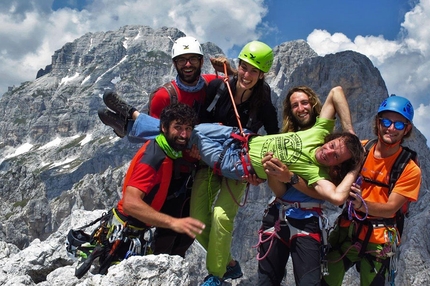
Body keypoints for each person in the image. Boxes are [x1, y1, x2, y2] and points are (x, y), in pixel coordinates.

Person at [97, 36, 233, 258]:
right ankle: (132, 122)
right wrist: (191, 148)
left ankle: (131, 122)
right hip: (175, 167)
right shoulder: (164, 96)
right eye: (181, 60)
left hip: (197, 168)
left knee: (188, 234)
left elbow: (243, 86)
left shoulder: (211, 83)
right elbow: (161, 139)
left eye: (192, 59)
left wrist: (232, 71)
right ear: (174, 63)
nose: (187, 65)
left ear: (200, 61)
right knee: (187, 132)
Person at [134, 85, 365, 209]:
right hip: (241, 137)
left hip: (236, 163)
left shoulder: (316, 173)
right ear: (332, 138)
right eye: (334, 145)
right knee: (191, 127)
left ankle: (132, 121)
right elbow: (336, 92)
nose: (329, 152)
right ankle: (131, 122)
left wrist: (355, 167)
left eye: (335, 157)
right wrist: (351, 132)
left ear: (336, 165)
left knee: (189, 134)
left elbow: (336, 198)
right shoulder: (320, 133)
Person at [193, 40, 279, 286]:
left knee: (221, 216)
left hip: (237, 169)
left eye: (254, 70)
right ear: (237, 65)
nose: (247, 74)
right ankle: (229, 264)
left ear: (262, 75)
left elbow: (272, 141)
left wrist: (261, 175)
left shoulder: (264, 105)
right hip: (209, 163)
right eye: (244, 66)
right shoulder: (218, 89)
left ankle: (215, 276)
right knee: (196, 220)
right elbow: (201, 123)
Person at [322, 96, 421, 286]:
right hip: (347, 231)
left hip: (379, 241)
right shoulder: (361, 149)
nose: (391, 128)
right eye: (386, 121)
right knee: (325, 282)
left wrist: (361, 204)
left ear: (407, 129)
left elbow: (391, 207)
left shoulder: (409, 168)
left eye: (399, 125)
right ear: (378, 122)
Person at [256, 86, 328, 286]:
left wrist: (290, 177)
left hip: (308, 219)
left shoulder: (326, 142)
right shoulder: (284, 140)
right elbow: (280, 191)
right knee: (265, 283)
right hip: (277, 215)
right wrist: (272, 172)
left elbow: (323, 192)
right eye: (295, 105)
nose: (300, 108)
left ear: (313, 104)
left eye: (304, 103)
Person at [115, 103, 205, 261]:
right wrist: (172, 222)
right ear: (163, 127)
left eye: (188, 128)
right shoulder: (154, 157)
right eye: (178, 127)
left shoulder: (167, 149)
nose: (184, 135)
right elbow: (130, 202)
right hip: (126, 233)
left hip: (137, 230)